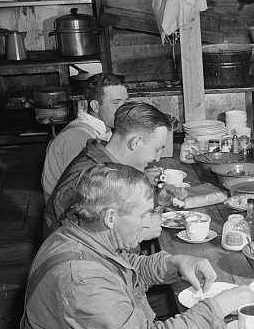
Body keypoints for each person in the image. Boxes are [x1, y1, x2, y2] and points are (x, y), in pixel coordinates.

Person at [22, 163, 254, 329]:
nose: (148, 223)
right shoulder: (81, 283)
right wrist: (217, 307)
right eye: (144, 215)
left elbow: (119, 268)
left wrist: (172, 263)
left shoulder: (78, 233)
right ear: (111, 218)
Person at [44, 101, 181, 236]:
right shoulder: (87, 178)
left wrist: (157, 198)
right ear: (136, 142)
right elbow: (76, 246)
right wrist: (139, 234)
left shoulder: (111, 165)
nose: (157, 158)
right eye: (157, 150)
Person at [41, 73, 128, 201]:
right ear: (95, 106)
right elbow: (90, 193)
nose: (124, 109)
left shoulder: (102, 130)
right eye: (116, 103)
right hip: (67, 215)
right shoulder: (78, 139)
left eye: (125, 102)